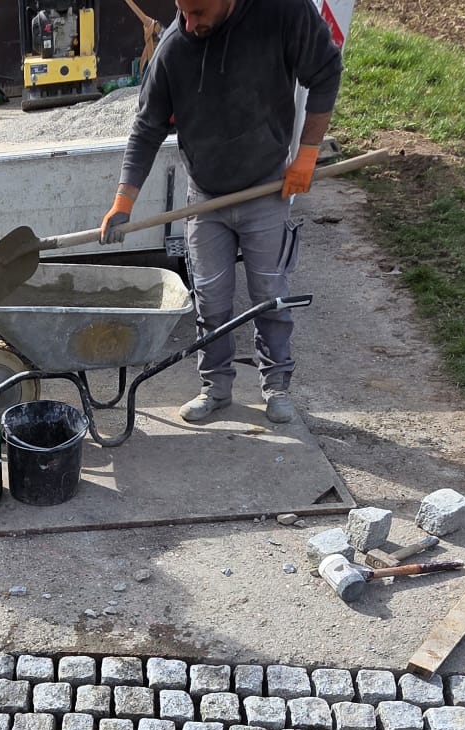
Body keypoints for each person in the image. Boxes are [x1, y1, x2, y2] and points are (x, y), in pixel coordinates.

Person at [100, 0, 342, 426]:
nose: (188, 23)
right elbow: (147, 127)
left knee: (269, 295)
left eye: (198, 12)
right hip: (205, 197)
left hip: (265, 187)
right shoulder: (174, 48)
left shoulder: (280, 12)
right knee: (210, 300)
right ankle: (215, 387)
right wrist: (124, 200)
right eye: (182, 11)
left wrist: (307, 153)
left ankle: (276, 386)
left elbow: (325, 70)